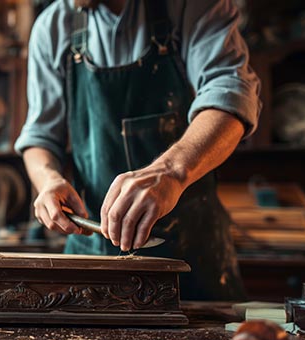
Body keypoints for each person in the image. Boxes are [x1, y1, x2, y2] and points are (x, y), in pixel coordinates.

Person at [14, 0, 261, 300]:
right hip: (94, 251)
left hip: (191, 255)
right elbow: (40, 136)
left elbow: (232, 96)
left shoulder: (190, 6)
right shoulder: (52, 27)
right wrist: (48, 179)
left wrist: (171, 171)